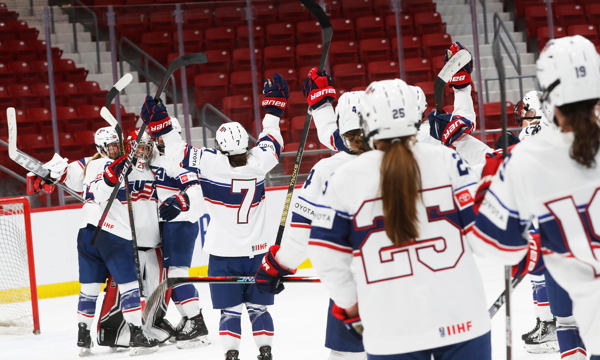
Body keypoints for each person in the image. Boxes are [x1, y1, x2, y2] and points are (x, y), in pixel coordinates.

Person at [308, 78, 492, 359]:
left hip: (388, 329)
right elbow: (489, 242)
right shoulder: (447, 160)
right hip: (462, 321)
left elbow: (325, 255)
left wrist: (350, 304)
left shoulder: (343, 179)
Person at [467, 35, 600, 360]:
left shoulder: (527, 159)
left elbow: (494, 246)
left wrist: (490, 187)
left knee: (566, 318)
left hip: (590, 319)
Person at [140, 73, 287, 360]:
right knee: (259, 310)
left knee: (229, 312)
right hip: (258, 254)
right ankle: (265, 352)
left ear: (221, 147)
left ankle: (232, 356)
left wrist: (162, 123)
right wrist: (274, 108)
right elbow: (272, 136)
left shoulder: (211, 163)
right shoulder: (262, 162)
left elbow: (177, 150)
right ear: (246, 143)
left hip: (222, 255)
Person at [255, 85, 368, 360]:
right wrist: (320, 106)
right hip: (411, 285)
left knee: (346, 356)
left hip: (353, 289)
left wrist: (276, 266)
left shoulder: (326, 171)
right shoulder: (410, 159)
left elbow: (300, 238)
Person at [90, 128, 162, 356]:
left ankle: (144, 328)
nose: (141, 152)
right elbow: (84, 168)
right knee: (124, 290)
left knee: (148, 290)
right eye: (137, 147)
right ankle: (114, 332)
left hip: (148, 240)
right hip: (123, 239)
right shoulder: (113, 166)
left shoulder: (154, 166)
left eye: (145, 147)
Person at [148, 117, 210, 348]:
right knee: (170, 276)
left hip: (181, 222)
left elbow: (195, 190)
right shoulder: (154, 153)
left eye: (165, 134)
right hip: (164, 223)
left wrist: (181, 199)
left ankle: (197, 321)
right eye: (158, 135)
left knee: (177, 273)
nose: (161, 139)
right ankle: (188, 317)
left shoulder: (181, 157)